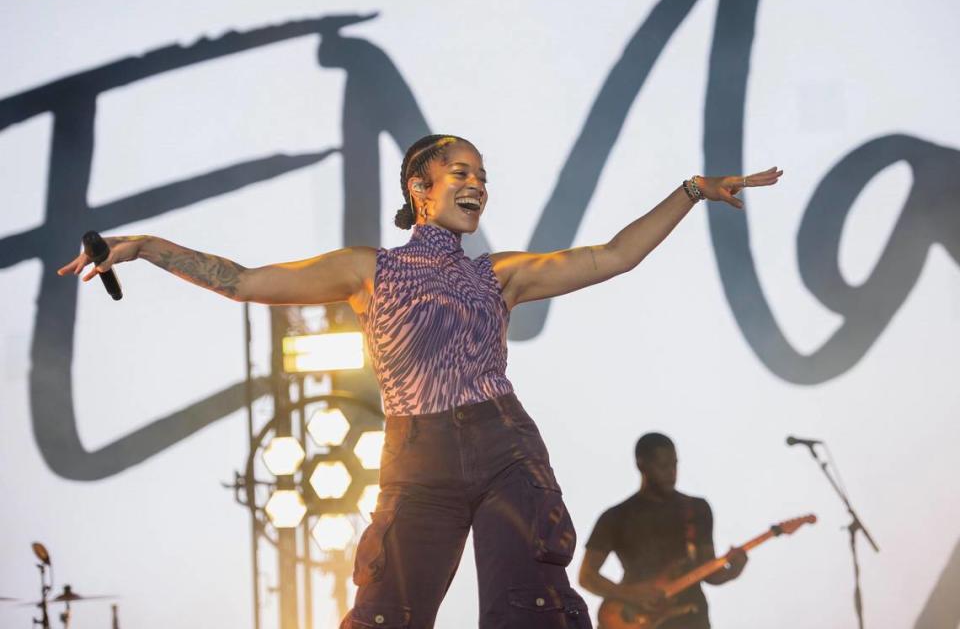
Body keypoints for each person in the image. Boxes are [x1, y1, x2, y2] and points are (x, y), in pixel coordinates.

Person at [59, 134, 780, 628]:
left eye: (484, 175)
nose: (477, 184)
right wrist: (147, 246)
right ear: (421, 188)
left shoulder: (500, 274)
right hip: (416, 461)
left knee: (526, 607)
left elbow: (615, 254)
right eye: (461, 172)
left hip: (506, 452)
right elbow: (244, 281)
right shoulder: (367, 269)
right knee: (385, 612)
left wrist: (689, 191)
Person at [578, 433, 748, 629]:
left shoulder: (696, 509)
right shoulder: (615, 517)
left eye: (675, 464)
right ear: (642, 465)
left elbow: (708, 571)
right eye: (663, 466)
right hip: (637, 619)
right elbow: (587, 576)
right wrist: (631, 594)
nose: (672, 472)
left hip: (691, 619)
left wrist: (733, 570)